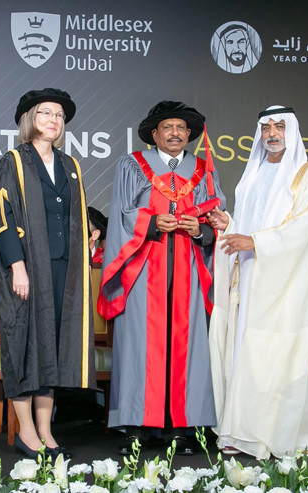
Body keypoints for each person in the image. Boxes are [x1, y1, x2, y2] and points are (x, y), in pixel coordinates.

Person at [99, 101, 223, 456]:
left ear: (190, 135)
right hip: (143, 266)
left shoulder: (204, 170)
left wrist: (200, 229)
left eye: (181, 128)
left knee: (190, 346)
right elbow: (121, 213)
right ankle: (138, 426)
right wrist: (151, 223)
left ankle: (184, 427)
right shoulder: (132, 166)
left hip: (189, 267)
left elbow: (218, 217)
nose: (174, 133)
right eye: (167, 127)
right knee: (140, 344)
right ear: (154, 134)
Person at [205, 106, 308, 458]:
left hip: (284, 284)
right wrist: (229, 225)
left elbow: (304, 227)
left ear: (292, 130)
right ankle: (237, 431)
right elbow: (245, 223)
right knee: (243, 351)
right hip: (249, 279)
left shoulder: (307, 173)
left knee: (274, 356)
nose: (272, 132)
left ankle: (268, 436)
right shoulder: (253, 174)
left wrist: (256, 241)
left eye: (279, 126)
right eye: (266, 126)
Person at [0, 88, 95, 458]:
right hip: (27, 268)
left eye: (59, 116)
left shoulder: (71, 165)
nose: (53, 120)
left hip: (63, 268)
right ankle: (26, 433)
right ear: (29, 119)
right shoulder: (14, 161)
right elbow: (3, 218)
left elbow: (75, 216)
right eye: (46, 113)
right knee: (24, 346)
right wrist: (17, 266)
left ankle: (46, 432)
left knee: (50, 349)